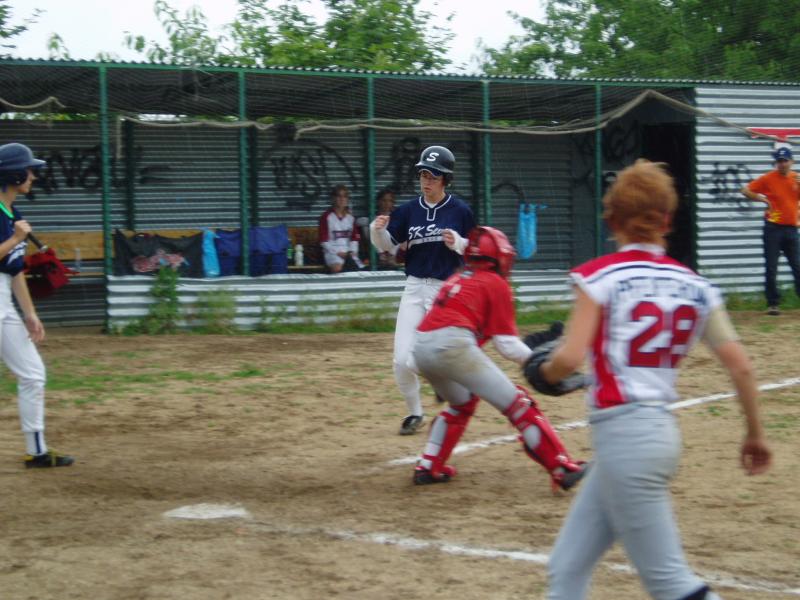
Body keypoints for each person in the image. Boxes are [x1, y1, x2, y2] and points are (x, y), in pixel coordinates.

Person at [536, 160, 771, 600]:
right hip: (653, 435)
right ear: (666, 220)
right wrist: (755, 434)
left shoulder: (599, 276)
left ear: (612, 220)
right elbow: (741, 365)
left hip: (626, 437)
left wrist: (540, 369)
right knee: (565, 569)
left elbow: (567, 359)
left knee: (671, 584)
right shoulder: (695, 285)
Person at [410, 226, 587, 490]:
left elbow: (464, 330)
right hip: (451, 347)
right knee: (520, 404)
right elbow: (507, 345)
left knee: (462, 404)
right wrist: (540, 365)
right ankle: (561, 468)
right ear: (499, 257)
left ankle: (429, 465)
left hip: (421, 348)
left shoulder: (459, 277)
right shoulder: (495, 282)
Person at [370, 145, 476, 435]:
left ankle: (448, 384)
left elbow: (476, 250)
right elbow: (387, 247)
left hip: (446, 291)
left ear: (445, 179)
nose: (426, 181)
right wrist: (377, 230)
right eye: (423, 175)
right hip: (415, 286)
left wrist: (459, 242)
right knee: (401, 360)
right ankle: (415, 413)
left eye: (433, 176)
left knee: (435, 353)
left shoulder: (460, 211)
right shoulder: (408, 211)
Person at [0, 142, 74, 469]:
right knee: (32, 373)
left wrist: (29, 313)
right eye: (29, 170)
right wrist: (16, 239)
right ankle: (37, 451)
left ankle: (38, 451)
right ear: (13, 174)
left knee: (32, 373)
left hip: (3, 297)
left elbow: (14, 269)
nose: (33, 175)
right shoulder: (10, 222)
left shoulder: (12, 214)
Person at [741, 146, 800, 315]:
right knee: (771, 267)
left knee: (797, 266)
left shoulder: (796, 179)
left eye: (785, 161)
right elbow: (746, 190)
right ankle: (773, 303)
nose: (782, 164)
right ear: (776, 163)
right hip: (773, 228)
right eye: (779, 161)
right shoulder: (768, 178)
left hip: (791, 229)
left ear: (791, 162)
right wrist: (763, 200)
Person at [319, 184, 364, 274]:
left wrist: (352, 252)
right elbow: (324, 241)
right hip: (332, 253)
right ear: (333, 198)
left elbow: (354, 239)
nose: (342, 199)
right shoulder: (326, 217)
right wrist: (338, 253)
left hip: (348, 253)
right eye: (339, 196)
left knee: (360, 270)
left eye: (345, 196)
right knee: (338, 269)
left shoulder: (350, 218)